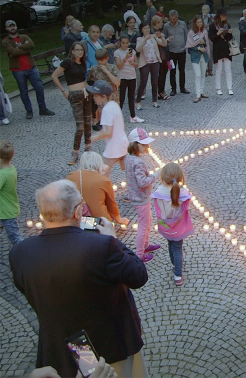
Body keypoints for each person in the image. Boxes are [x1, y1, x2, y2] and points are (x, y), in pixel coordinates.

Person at [9, 179, 150, 378]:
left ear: (42, 213)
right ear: (77, 212)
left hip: (62, 345)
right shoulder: (103, 246)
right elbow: (138, 276)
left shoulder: (20, 253)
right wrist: (113, 239)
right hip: (108, 345)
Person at [151, 163, 194, 286]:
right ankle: (178, 275)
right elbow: (185, 206)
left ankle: (174, 262)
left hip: (165, 225)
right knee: (177, 248)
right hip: (178, 226)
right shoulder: (183, 192)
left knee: (170, 242)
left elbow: (157, 208)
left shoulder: (159, 192)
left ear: (163, 177)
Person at [2, 20, 54, 120]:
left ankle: (43, 108)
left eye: (14, 26)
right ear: (7, 28)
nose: (12, 28)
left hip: (31, 67)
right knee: (23, 91)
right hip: (18, 70)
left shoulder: (24, 36)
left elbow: (31, 45)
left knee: (39, 88)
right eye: (10, 26)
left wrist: (19, 47)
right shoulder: (5, 41)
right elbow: (12, 52)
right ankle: (29, 111)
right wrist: (25, 49)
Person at [51, 42, 92, 165]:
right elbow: (54, 75)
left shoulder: (83, 62)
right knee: (80, 126)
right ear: (72, 51)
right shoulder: (68, 62)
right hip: (74, 95)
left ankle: (88, 147)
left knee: (88, 122)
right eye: (77, 50)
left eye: (82, 50)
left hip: (85, 93)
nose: (80, 52)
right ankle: (75, 152)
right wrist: (63, 91)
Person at [126, 128, 162, 263]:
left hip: (137, 196)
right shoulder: (138, 162)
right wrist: (156, 175)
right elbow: (142, 182)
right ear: (136, 144)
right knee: (143, 225)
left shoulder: (129, 158)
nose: (147, 146)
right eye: (144, 144)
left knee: (148, 222)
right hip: (140, 198)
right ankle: (140, 254)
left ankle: (146, 245)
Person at [66, 151, 128, 225]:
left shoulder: (70, 177)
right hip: (100, 221)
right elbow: (111, 205)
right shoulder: (103, 180)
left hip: (76, 220)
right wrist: (119, 220)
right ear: (99, 164)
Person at [89, 80, 128, 178]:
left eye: (96, 95)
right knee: (128, 170)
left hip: (113, 148)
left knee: (103, 173)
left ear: (103, 96)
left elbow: (108, 131)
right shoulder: (114, 105)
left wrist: (95, 136)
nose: (94, 98)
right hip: (123, 144)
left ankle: (105, 192)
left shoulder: (106, 110)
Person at [136, 22, 167, 109]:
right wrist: (144, 39)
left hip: (155, 62)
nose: (147, 30)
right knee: (143, 82)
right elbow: (138, 49)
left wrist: (161, 36)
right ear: (141, 30)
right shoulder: (139, 39)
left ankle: (155, 101)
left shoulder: (154, 38)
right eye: (145, 28)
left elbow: (164, 44)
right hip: (145, 63)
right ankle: (138, 101)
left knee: (155, 82)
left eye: (148, 28)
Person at [87, 48, 121, 127]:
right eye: (98, 60)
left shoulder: (113, 68)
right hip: (100, 100)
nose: (99, 62)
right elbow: (90, 82)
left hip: (112, 98)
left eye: (102, 60)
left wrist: (107, 72)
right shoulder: (94, 69)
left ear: (107, 58)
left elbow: (117, 83)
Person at [114, 35, 142, 122]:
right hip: (122, 77)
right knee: (121, 98)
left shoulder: (132, 51)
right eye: (123, 43)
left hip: (132, 76)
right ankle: (117, 117)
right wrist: (125, 58)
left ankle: (133, 116)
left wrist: (132, 62)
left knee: (131, 97)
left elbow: (137, 64)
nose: (125, 45)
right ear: (120, 43)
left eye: (126, 43)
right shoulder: (117, 52)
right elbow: (119, 66)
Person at [0, 140, 23, 245]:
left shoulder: (2, 175)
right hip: (8, 209)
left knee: (16, 239)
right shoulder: (11, 168)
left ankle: (25, 253)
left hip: (6, 213)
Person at [163, 10, 189, 96]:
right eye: (171, 19)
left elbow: (185, 35)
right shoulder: (166, 26)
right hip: (171, 52)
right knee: (172, 70)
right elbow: (165, 37)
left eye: (174, 19)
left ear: (177, 17)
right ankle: (173, 89)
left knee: (182, 70)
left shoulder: (183, 24)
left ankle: (182, 87)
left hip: (182, 51)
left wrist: (185, 45)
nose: (173, 21)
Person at [209, 8, 234, 96]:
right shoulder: (212, 26)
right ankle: (218, 88)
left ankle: (229, 87)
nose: (226, 16)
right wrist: (218, 34)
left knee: (228, 69)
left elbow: (229, 39)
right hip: (217, 49)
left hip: (226, 49)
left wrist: (230, 33)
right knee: (219, 70)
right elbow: (212, 39)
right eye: (224, 15)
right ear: (220, 16)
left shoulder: (227, 24)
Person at [186, 15, 211, 103]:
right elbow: (190, 45)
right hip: (195, 56)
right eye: (198, 22)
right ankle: (197, 94)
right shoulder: (191, 33)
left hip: (203, 55)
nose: (200, 24)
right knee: (198, 74)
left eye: (201, 22)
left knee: (203, 74)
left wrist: (204, 44)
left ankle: (201, 91)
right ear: (195, 23)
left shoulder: (204, 31)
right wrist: (199, 48)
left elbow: (207, 43)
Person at [151, 15, 171, 101]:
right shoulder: (154, 33)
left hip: (164, 54)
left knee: (163, 73)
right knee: (161, 74)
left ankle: (160, 90)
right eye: (161, 22)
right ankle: (160, 91)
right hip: (161, 55)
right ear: (156, 23)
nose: (162, 24)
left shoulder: (158, 32)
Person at [201, 5, 215, 76]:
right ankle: (204, 69)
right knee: (203, 53)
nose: (204, 11)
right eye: (203, 10)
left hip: (210, 36)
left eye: (205, 9)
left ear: (208, 10)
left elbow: (215, 24)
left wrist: (209, 25)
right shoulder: (200, 18)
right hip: (202, 37)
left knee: (210, 53)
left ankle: (210, 69)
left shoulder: (212, 17)